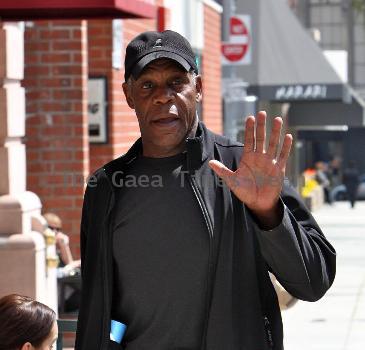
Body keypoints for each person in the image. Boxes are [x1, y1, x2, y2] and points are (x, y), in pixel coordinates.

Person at [75, 30, 336, 350]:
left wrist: (268, 214)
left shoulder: (245, 167)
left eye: (176, 82)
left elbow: (313, 282)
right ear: (129, 96)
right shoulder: (106, 187)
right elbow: (100, 304)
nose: (163, 96)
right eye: (147, 85)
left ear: (197, 88)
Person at [44, 212, 81, 312]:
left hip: (63, 295)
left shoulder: (54, 249)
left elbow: (69, 264)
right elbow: (54, 274)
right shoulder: (42, 249)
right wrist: (72, 266)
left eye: (58, 229)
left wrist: (64, 246)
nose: (55, 232)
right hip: (52, 299)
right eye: (51, 228)